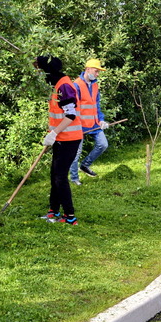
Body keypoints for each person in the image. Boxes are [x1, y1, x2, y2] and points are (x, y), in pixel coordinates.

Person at [35, 56, 82, 224]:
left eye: (41, 70)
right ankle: (53, 212)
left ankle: (70, 217)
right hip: (60, 138)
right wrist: (53, 135)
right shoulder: (56, 85)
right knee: (54, 175)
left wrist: (53, 133)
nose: (40, 74)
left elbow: (70, 115)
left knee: (60, 177)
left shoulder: (64, 86)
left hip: (69, 138)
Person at [70, 58, 109, 185]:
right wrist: (76, 125)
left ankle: (85, 165)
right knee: (76, 153)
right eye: (96, 71)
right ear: (88, 69)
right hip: (79, 125)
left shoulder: (95, 84)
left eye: (98, 72)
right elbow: (73, 108)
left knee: (103, 144)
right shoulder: (76, 85)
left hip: (94, 123)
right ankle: (74, 178)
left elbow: (96, 105)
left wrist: (101, 120)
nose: (97, 74)